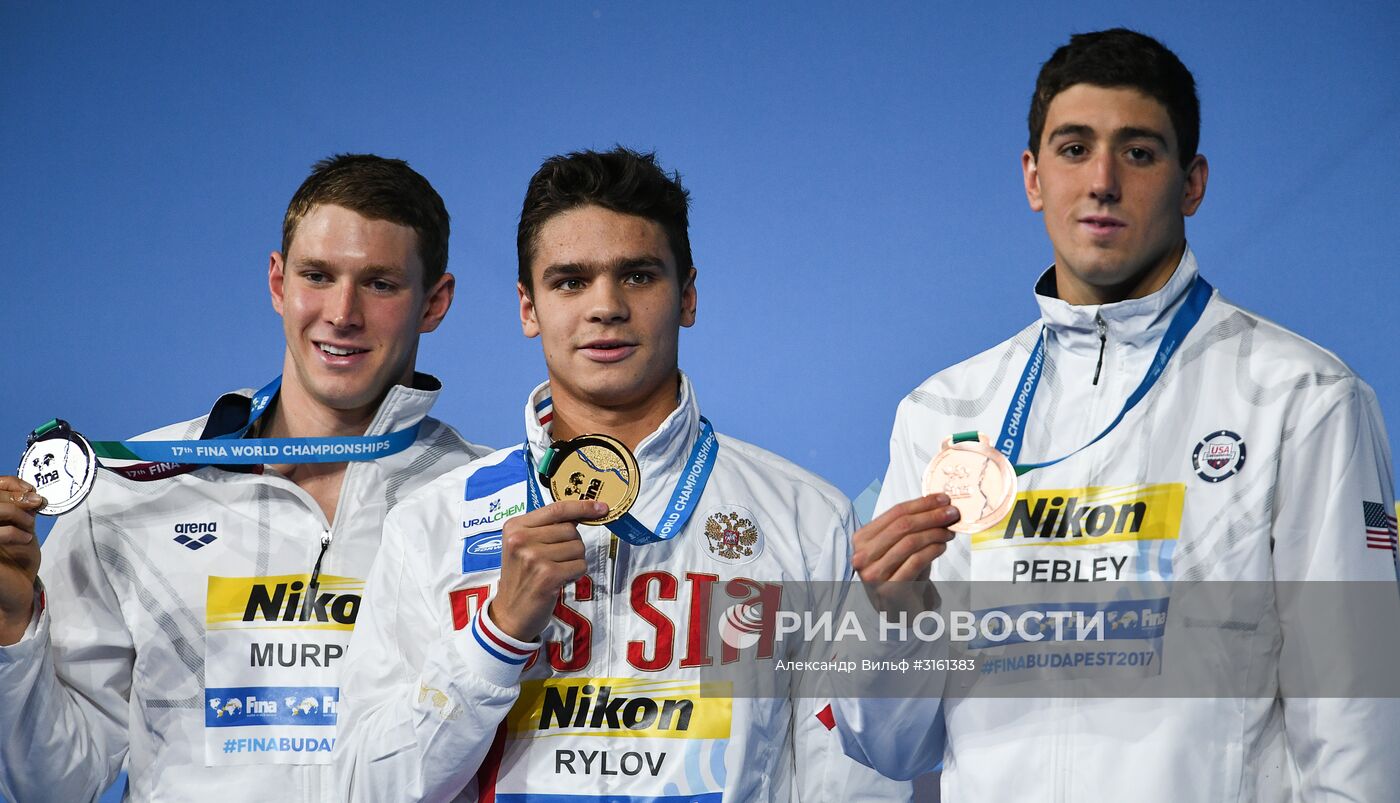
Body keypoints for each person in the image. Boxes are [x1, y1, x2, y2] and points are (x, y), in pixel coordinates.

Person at [831, 28, 1400, 801]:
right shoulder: (942, 411)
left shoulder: (1303, 399)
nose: (1101, 181)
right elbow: (890, 750)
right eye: (1072, 149)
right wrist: (901, 619)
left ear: (1191, 182)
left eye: (1138, 152)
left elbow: (1357, 724)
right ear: (1033, 177)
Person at [335, 147, 911, 801]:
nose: (605, 305)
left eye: (637, 276)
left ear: (687, 294)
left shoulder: (806, 518)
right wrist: (496, 635)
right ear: (528, 307)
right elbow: (360, 789)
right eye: (570, 281)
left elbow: (853, 781)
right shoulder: (431, 524)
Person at [0, 154, 491, 802]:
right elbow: (54, 782)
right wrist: (12, 627)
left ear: (435, 303)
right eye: (318, 275)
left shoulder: (481, 502)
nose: (342, 313)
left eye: (380, 284)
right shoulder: (132, 487)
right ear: (277, 282)